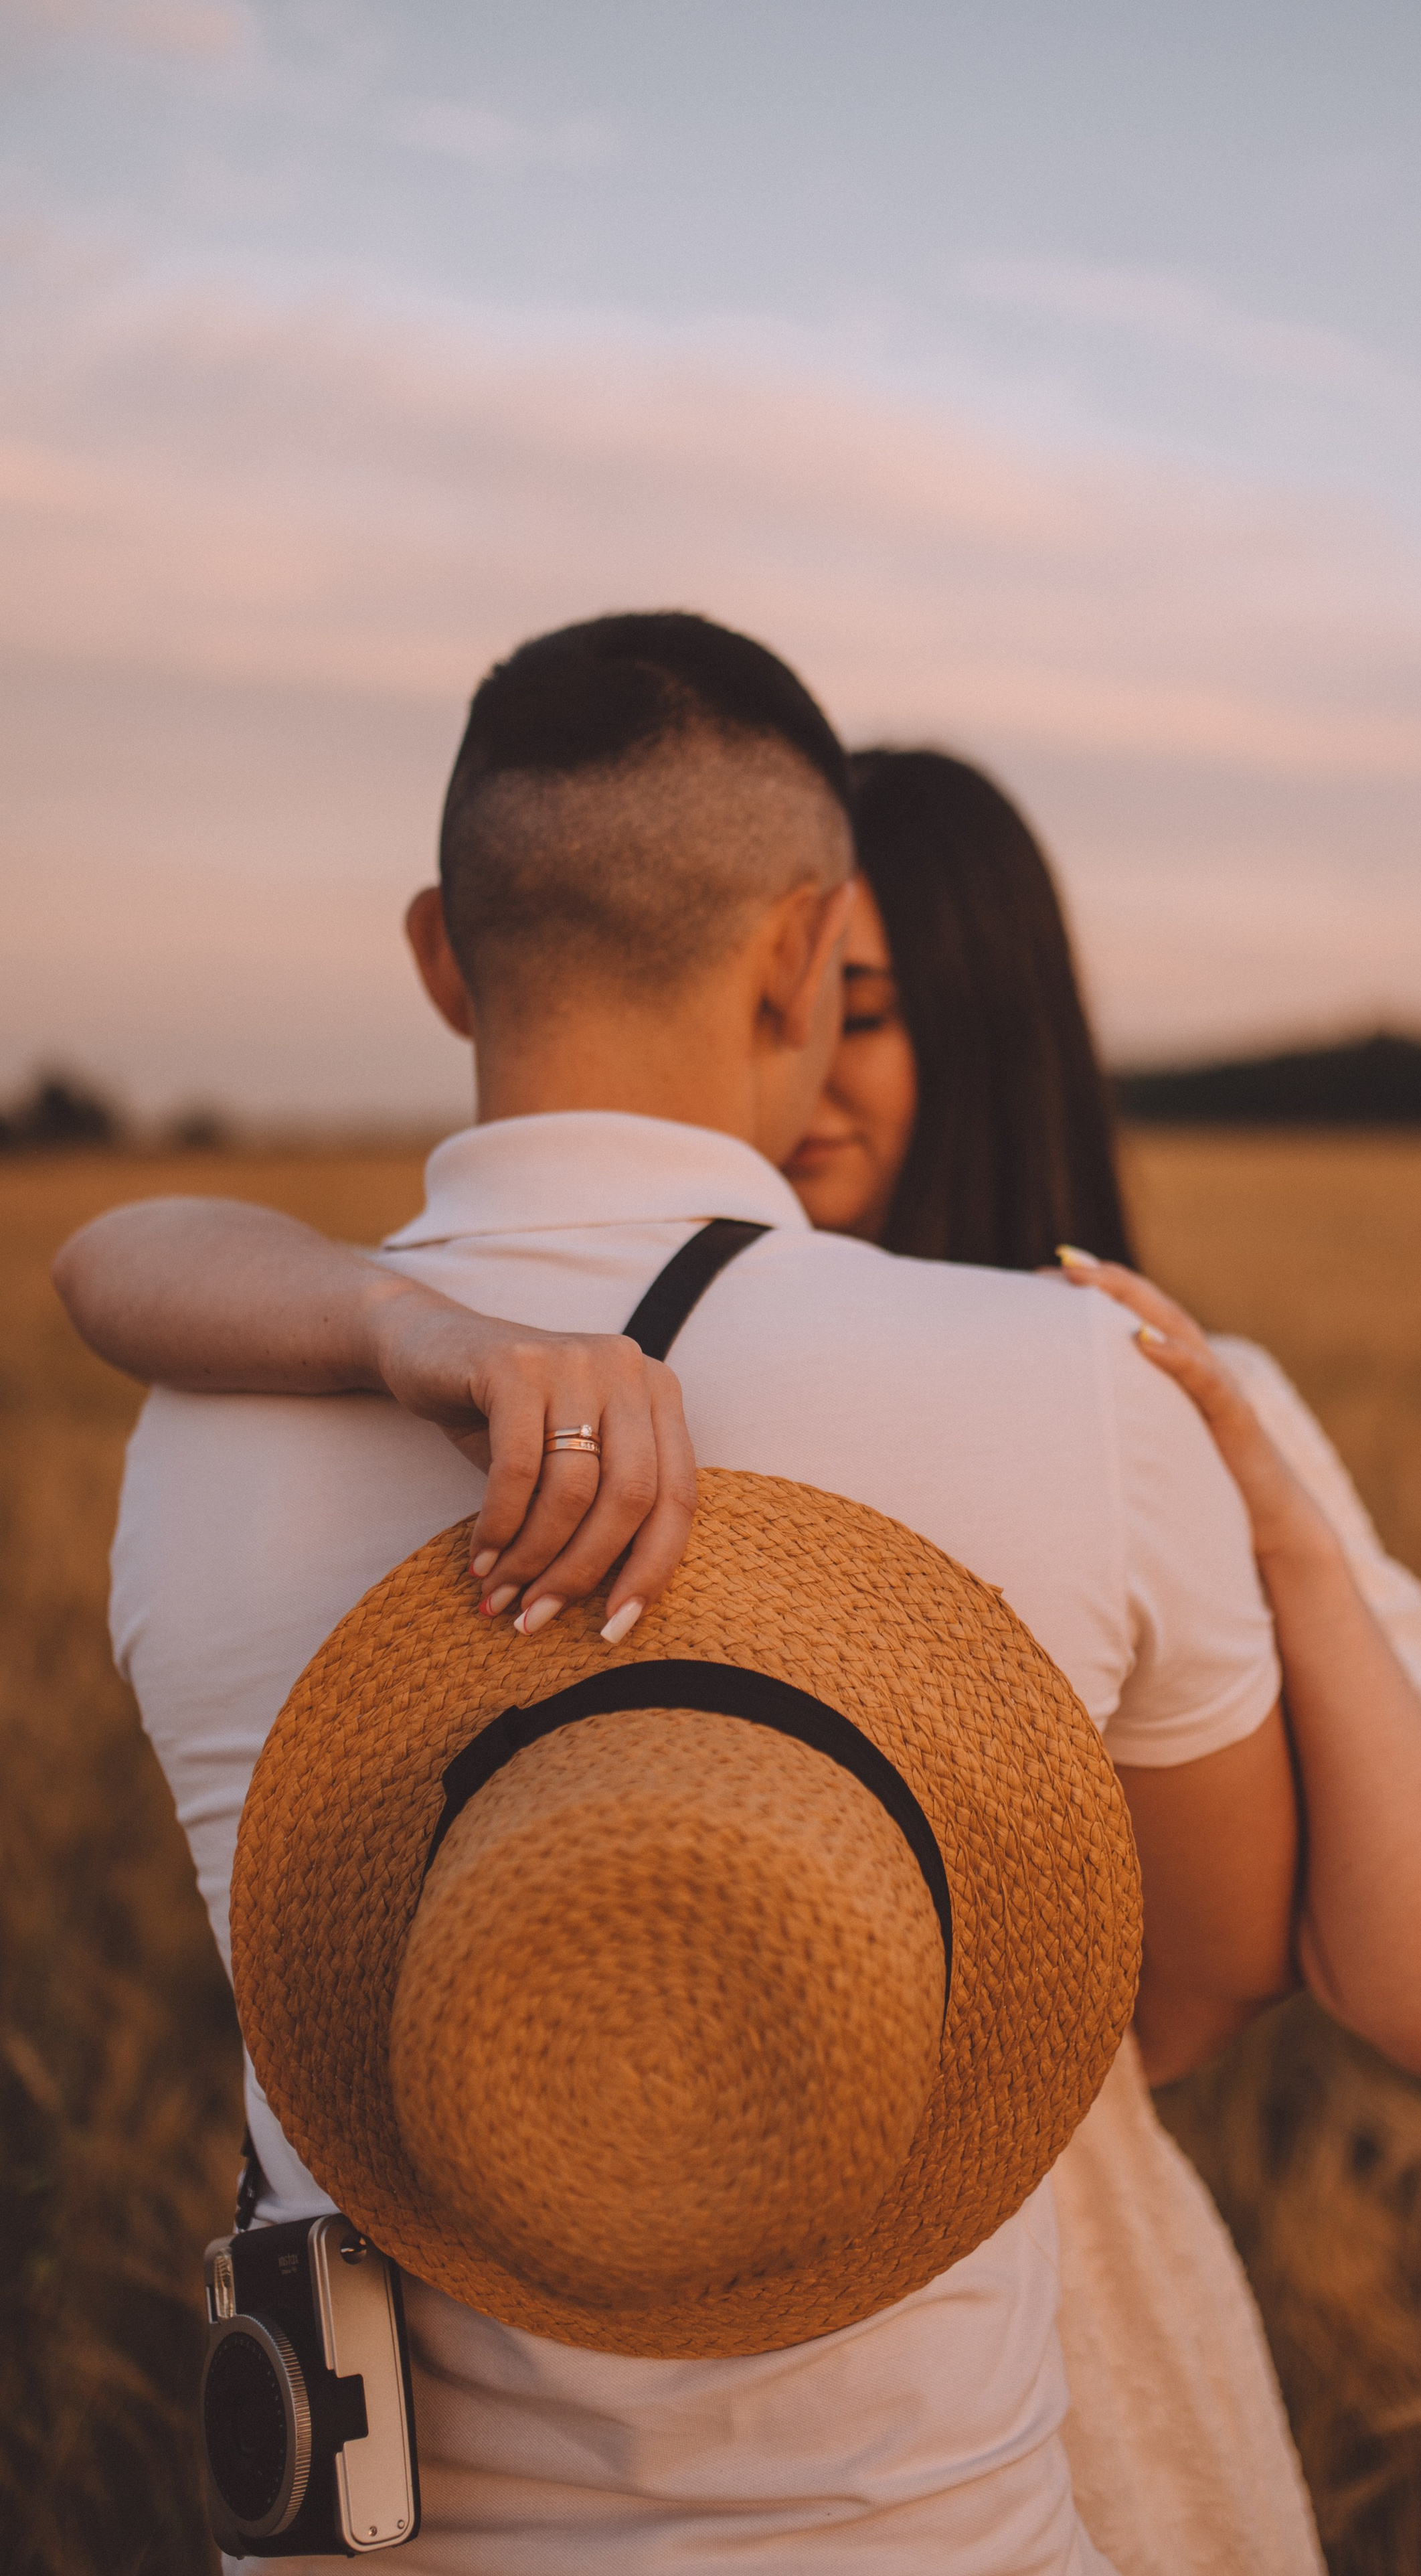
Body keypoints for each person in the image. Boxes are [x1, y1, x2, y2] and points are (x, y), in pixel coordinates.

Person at [62, 613, 1330, 2575]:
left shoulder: (205, 1428)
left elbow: (107, 1264)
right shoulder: (1070, 1389)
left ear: (437, 951)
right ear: (807, 954)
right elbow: (1227, 1954)